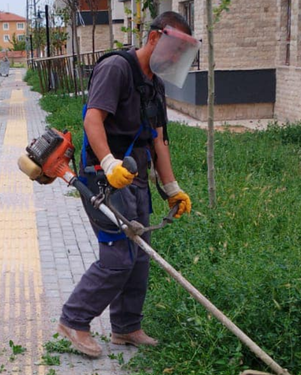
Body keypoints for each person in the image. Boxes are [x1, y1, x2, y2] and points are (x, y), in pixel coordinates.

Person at [57, 11, 199, 357]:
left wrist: (171, 189)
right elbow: (93, 119)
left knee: (139, 258)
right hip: (103, 178)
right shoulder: (116, 69)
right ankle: (73, 320)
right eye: (174, 50)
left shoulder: (155, 85)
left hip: (135, 180)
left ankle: (125, 327)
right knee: (119, 258)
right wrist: (108, 163)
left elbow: (158, 141)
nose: (176, 59)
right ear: (154, 39)